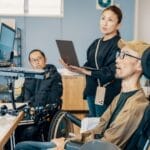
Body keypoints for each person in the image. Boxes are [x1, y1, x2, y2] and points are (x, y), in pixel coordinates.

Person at [15, 39, 150, 150]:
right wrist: (71, 139)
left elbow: (105, 145)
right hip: (87, 145)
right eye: (118, 54)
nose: (117, 60)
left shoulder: (136, 105)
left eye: (124, 55)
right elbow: (99, 129)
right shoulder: (122, 96)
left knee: (22, 147)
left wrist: (67, 145)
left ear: (140, 64)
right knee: (23, 145)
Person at [60, 5, 122, 117]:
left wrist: (84, 71)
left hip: (104, 91)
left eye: (110, 20)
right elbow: (89, 65)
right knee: (93, 123)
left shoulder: (119, 45)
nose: (105, 23)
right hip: (91, 90)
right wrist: (73, 68)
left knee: (100, 125)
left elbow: (110, 72)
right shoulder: (96, 43)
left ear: (118, 25)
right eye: (103, 18)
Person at [15, 49, 63, 142]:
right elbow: (22, 96)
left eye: (39, 58)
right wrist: (13, 104)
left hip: (42, 116)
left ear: (45, 59)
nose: (37, 62)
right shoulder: (29, 76)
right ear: (30, 63)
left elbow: (53, 99)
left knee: (26, 132)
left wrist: (31, 106)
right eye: (33, 60)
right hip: (26, 113)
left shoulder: (54, 76)